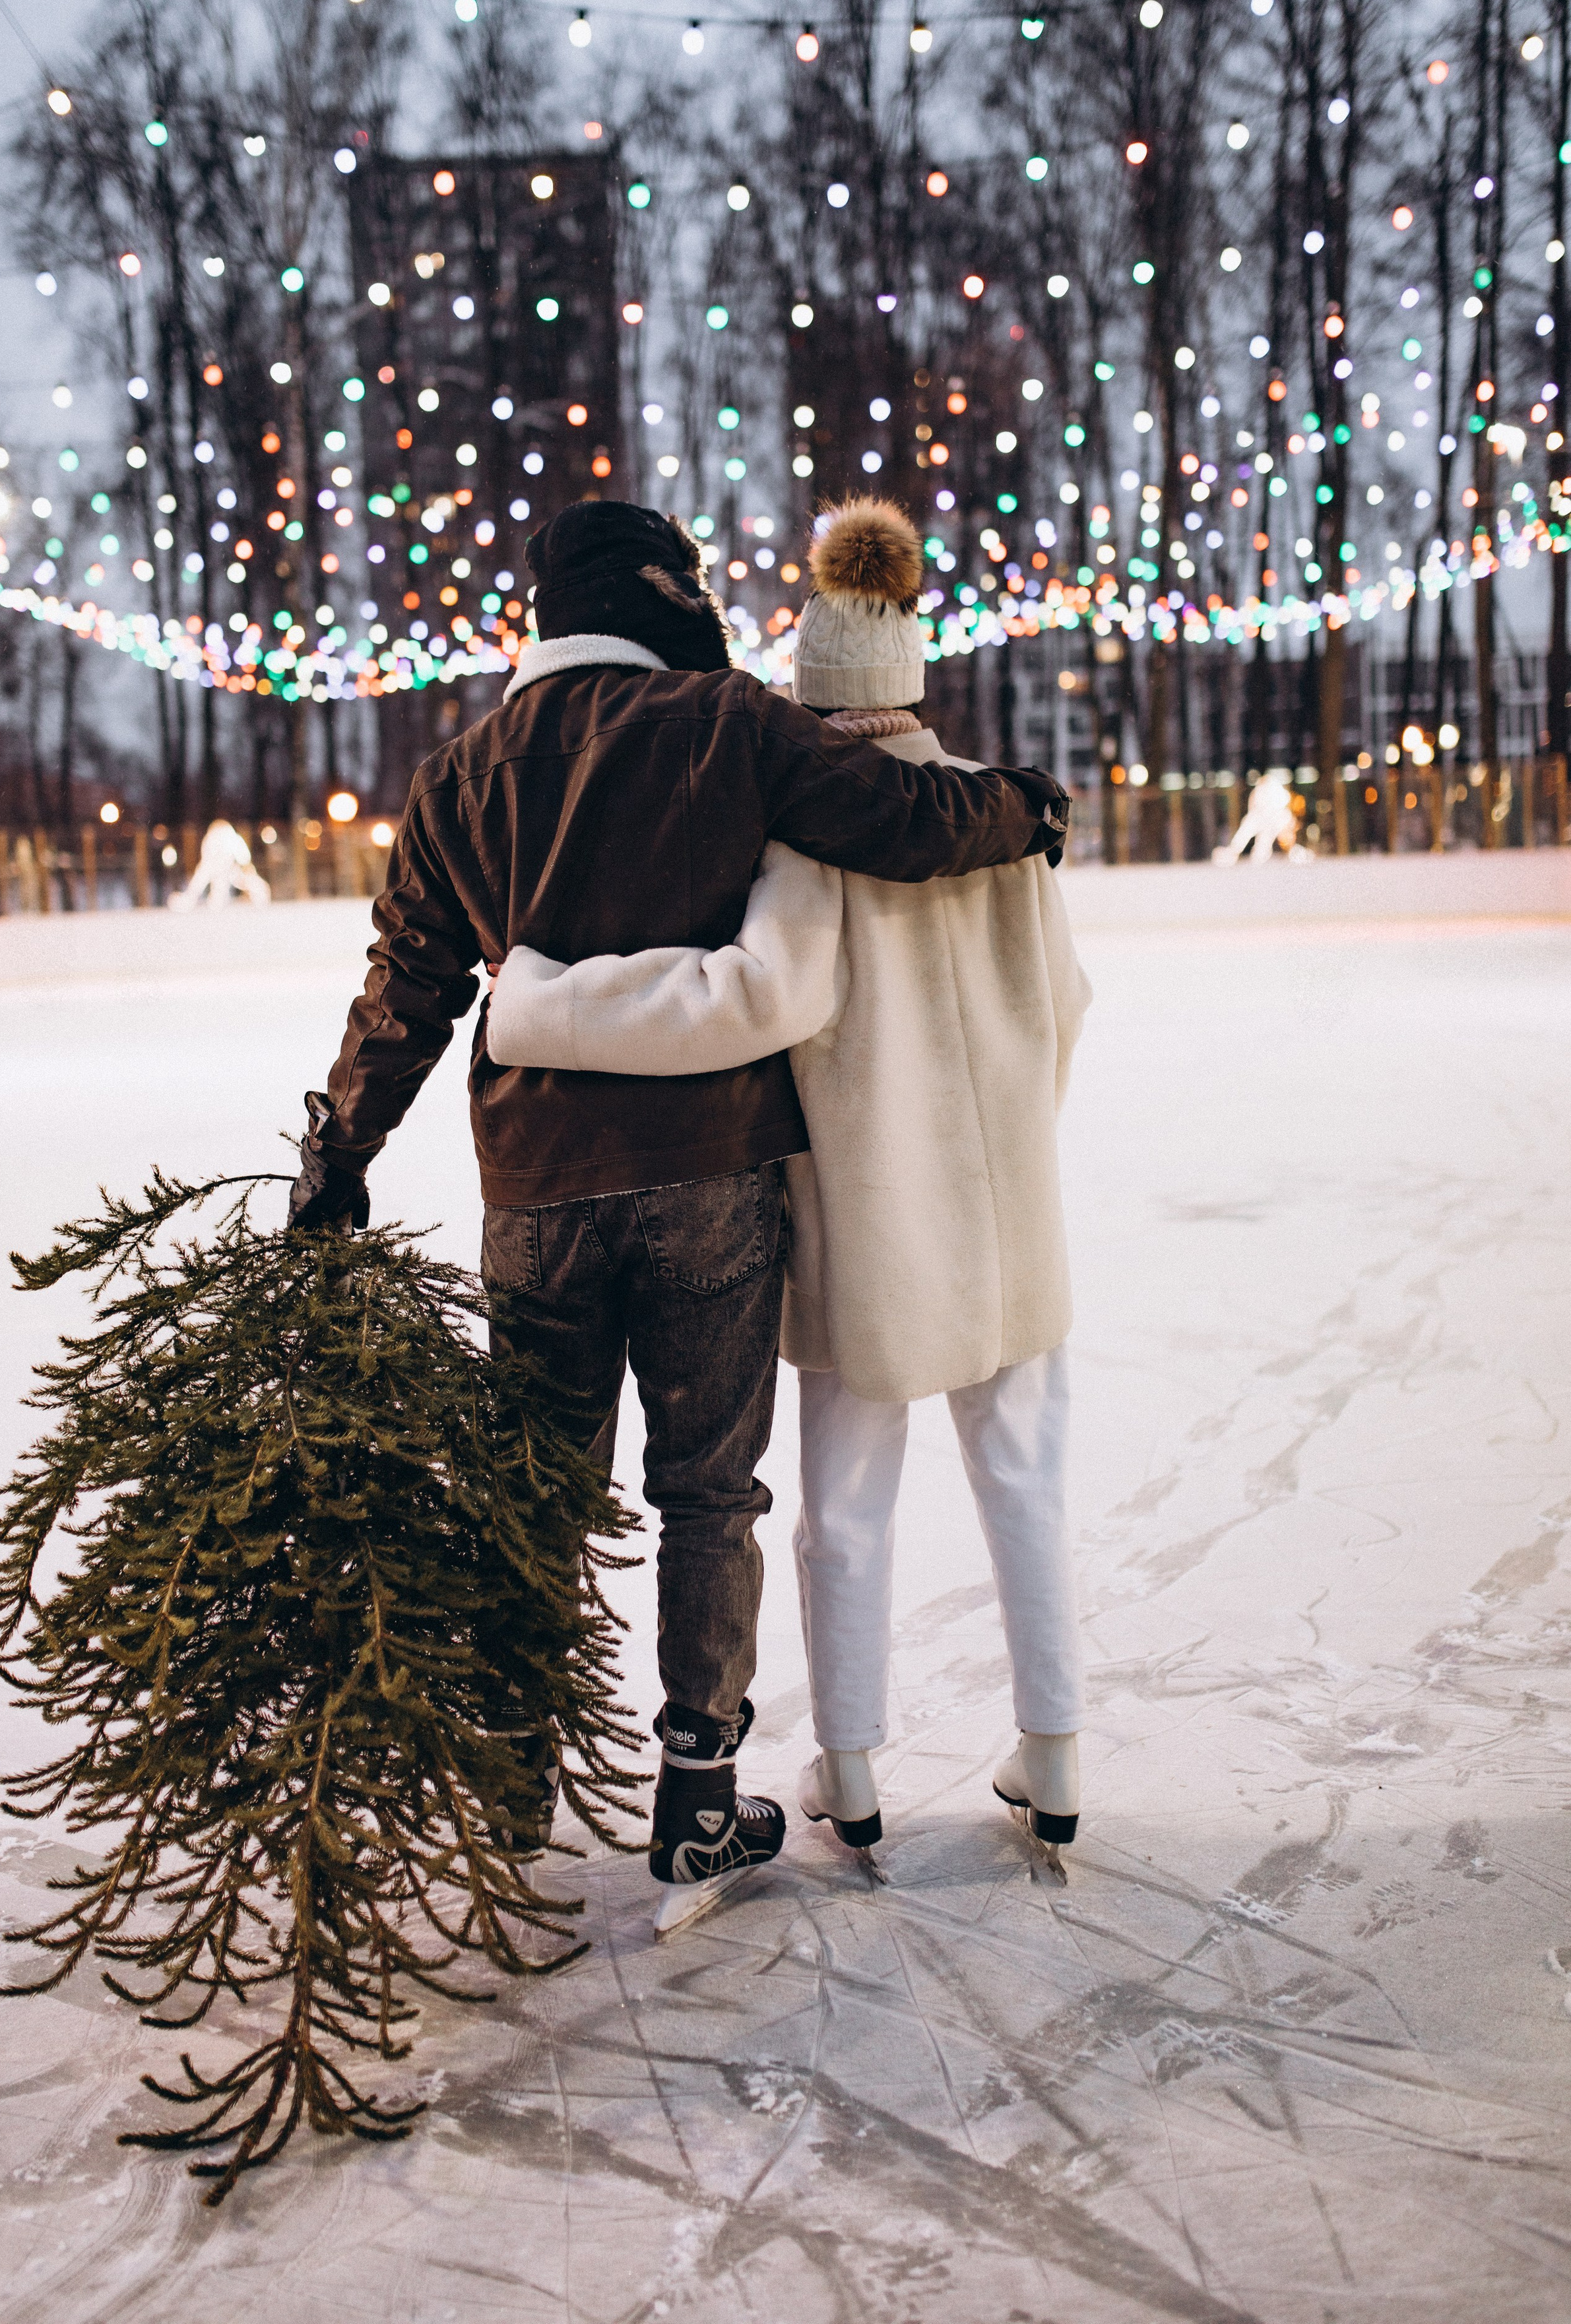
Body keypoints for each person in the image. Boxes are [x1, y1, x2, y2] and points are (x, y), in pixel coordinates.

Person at [288, 499, 1068, 1933]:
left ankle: (512, 1781)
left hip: (535, 1187)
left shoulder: (461, 771)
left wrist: (339, 1150)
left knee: (540, 1486)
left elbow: (406, 981)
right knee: (708, 1491)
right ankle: (699, 1797)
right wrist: (1024, 806)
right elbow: (899, 820)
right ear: (666, 595)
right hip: (712, 1172)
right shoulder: (730, 723)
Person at [488, 497, 1090, 1869]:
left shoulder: (808, 834)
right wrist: (1006, 1131)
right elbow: (1064, 1004)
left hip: (864, 1227)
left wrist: (530, 1007)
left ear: (815, 685)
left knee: (843, 1510)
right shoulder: (998, 821)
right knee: (1024, 1479)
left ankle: (853, 1771)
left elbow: (764, 999)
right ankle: (1051, 1751)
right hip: (1009, 1220)